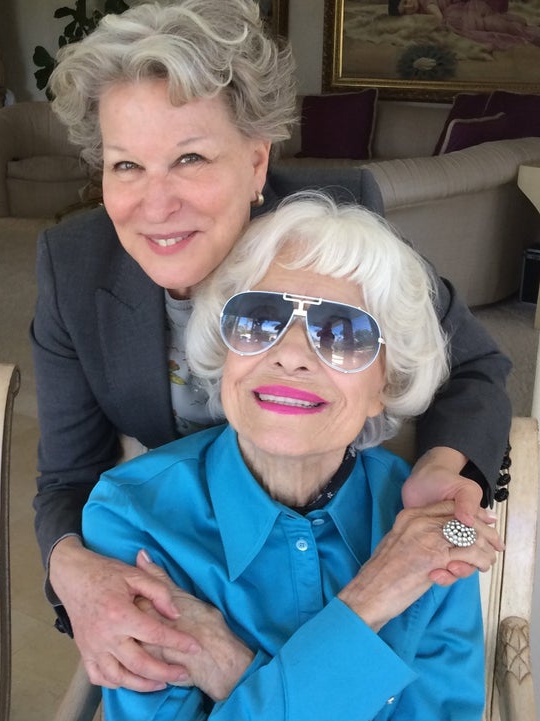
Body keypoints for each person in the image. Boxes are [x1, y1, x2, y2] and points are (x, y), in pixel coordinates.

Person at [31, 0, 511, 692]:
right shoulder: (74, 268)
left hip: (340, 546)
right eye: (126, 165)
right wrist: (70, 567)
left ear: (257, 160)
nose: (155, 203)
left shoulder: (336, 230)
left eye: (189, 157)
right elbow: (65, 480)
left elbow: (472, 363)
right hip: (189, 559)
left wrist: (443, 478)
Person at [82, 193, 502, 719]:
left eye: (342, 333)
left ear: (384, 384)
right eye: (259, 320)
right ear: (225, 347)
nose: (291, 353)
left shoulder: (429, 528)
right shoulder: (134, 518)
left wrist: (232, 668)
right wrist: (373, 597)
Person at [389, 0, 540, 51]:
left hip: (465, 9)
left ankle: (527, 32)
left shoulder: (426, 2)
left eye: (406, 2)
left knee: (486, 24)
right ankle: (524, 30)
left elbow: (437, 13)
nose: (410, 7)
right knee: (491, 23)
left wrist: (441, 22)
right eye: (405, 11)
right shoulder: (419, 10)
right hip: (463, 10)